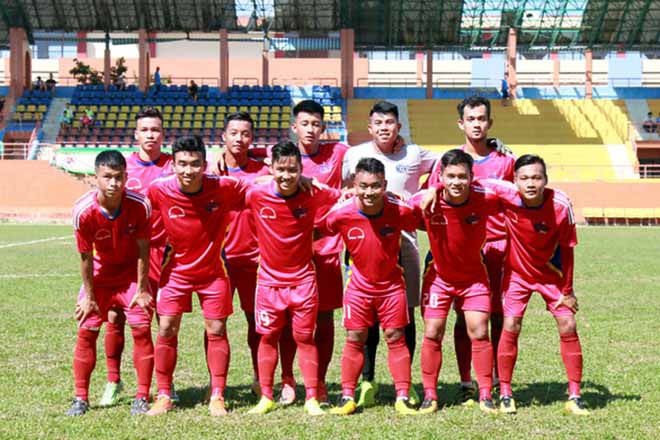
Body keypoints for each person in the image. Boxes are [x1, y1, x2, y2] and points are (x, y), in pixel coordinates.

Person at [342, 100, 437, 407]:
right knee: (363, 319)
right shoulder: (354, 154)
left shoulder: (414, 153)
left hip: (404, 243)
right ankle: (367, 381)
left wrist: (431, 188)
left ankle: (404, 384)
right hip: (362, 245)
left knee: (404, 316)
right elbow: (344, 188)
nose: (384, 128)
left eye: (389, 123)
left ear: (399, 127)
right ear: (370, 127)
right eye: (378, 123)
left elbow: (446, 165)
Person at [146, 136, 249, 417]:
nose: (188, 170)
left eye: (194, 164)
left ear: (205, 164)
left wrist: (304, 182)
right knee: (166, 328)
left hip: (214, 271)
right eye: (182, 164)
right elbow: (140, 218)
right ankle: (164, 394)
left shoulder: (223, 187)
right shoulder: (158, 190)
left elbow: (260, 185)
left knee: (216, 330)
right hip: (175, 272)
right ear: (173, 165)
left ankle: (217, 394)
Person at [427, 95, 515, 404]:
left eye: (482, 119)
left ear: (490, 123)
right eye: (471, 119)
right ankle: (467, 380)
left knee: (500, 317)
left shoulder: (506, 159)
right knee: (464, 319)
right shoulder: (448, 160)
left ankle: (498, 383)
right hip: (461, 249)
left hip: (499, 247)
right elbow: (431, 193)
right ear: (461, 123)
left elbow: (519, 198)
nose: (477, 124)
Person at [246, 141, 341, 416]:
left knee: (304, 338)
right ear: (272, 168)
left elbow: (341, 198)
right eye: (281, 169)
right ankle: (266, 396)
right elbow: (235, 184)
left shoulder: (312, 193)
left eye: (292, 170)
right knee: (267, 338)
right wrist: (264, 177)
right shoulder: (257, 194)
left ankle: (311, 397)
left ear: (301, 169)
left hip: (303, 282)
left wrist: (312, 183)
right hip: (268, 283)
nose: (286, 175)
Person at [488, 154, 588, 416]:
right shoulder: (505, 195)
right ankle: (507, 392)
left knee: (568, 324)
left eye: (536, 177)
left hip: (551, 274)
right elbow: (470, 182)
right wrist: (435, 189)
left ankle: (575, 395)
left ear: (545, 180)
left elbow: (568, 250)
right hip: (516, 275)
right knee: (510, 325)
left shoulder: (560, 205)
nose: (530, 183)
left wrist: (567, 290)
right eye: (524, 178)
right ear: (515, 181)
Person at [409, 149, 501, 415]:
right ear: (441, 176)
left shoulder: (485, 197)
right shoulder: (425, 200)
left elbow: (513, 194)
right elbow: (393, 204)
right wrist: (432, 188)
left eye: (463, 176)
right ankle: (430, 395)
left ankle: (485, 394)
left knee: (479, 331)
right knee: (432, 332)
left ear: (472, 177)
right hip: (438, 277)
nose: (457, 182)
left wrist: (435, 185)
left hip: (474, 278)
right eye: (450, 176)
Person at [324, 157, 418, 416]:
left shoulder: (400, 209)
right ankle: (346, 396)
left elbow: (422, 217)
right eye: (363, 186)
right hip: (357, 287)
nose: (369, 192)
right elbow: (320, 229)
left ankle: (402, 395)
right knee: (355, 338)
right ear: (354, 185)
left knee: (395, 337)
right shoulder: (342, 213)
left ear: (385, 185)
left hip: (392, 287)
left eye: (375, 186)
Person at [273, 99, 350, 406]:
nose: (310, 130)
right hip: (291, 251)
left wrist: (494, 145)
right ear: (295, 127)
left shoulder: (339, 153)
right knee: (289, 320)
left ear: (323, 127)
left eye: (316, 124)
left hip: (327, 249)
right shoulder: (283, 158)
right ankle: (289, 379)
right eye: (304, 124)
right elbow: (251, 159)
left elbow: (374, 149)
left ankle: (318, 382)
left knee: (325, 318)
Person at [98, 107, 177, 407]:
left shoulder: (174, 165)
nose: (151, 135)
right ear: (136, 134)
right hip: (128, 255)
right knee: (115, 317)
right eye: (145, 130)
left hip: (165, 253)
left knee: (165, 321)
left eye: (156, 130)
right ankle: (113, 381)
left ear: (163, 134)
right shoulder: (124, 168)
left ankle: (164, 386)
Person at [67, 150, 154, 417]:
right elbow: (84, 258)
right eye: (107, 177)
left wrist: (141, 289)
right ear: (96, 178)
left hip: (130, 276)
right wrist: (90, 297)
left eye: (119, 177)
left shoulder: (140, 205)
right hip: (101, 277)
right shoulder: (84, 212)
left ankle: (141, 396)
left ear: (127, 176)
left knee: (141, 327)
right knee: (87, 330)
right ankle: (81, 397)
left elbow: (143, 249)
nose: (113, 183)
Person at [215, 112, 270, 395]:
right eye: (233, 133)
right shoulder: (212, 172)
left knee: (256, 323)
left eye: (245, 133)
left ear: (252, 138)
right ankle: (217, 386)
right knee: (216, 324)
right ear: (222, 137)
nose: (239, 138)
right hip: (219, 261)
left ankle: (260, 380)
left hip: (255, 259)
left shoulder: (265, 172)